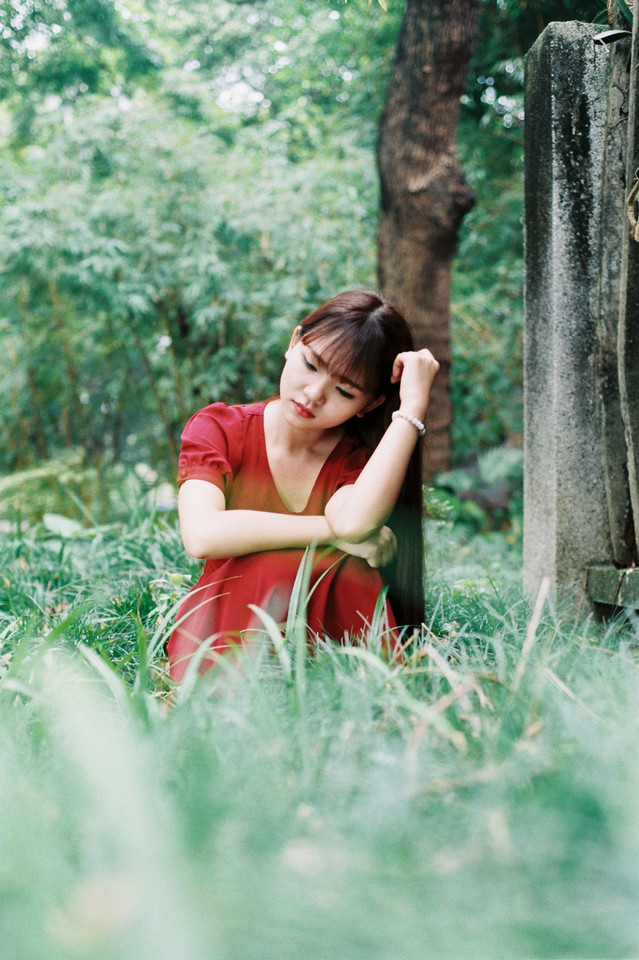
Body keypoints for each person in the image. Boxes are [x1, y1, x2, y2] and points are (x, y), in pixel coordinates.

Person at [167, 290, 439, 682]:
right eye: (311, 364)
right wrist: (332, 534)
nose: (313, 395)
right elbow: (202, 535)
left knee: (347, 567)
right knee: (279, 563)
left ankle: (357, 694)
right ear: (294, 342)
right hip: (224, 642)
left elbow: (354, 523)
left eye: (344, 391)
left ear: (369, 405)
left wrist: (411, 408)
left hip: (327, 659)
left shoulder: (354, 459)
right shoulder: (220, 429)